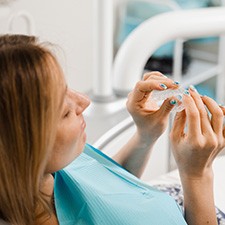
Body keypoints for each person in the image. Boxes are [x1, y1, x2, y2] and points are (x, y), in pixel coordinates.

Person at [0, 34, 224, 225]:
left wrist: (146, 135)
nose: (84, 101)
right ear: (24, 150)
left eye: (67, 88)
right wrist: (197, 175)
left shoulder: (50, 170)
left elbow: (104, 189)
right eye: (65, 111)